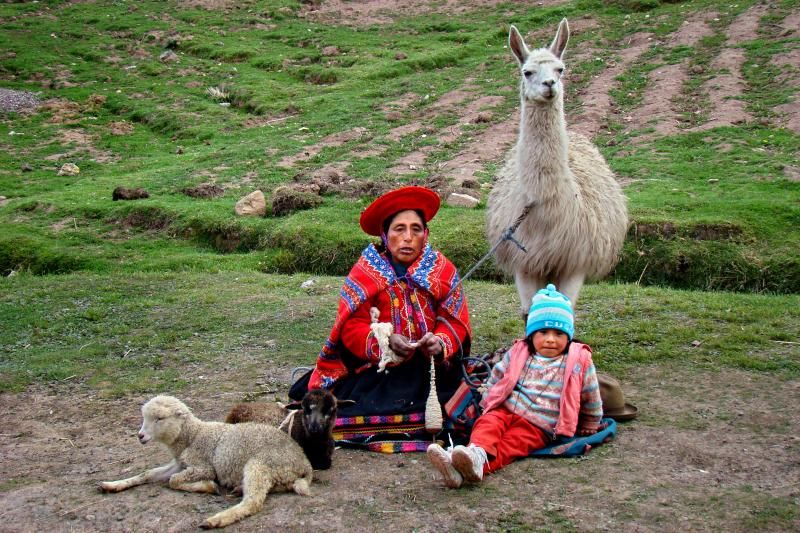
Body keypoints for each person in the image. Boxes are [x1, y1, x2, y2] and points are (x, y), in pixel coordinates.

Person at [289, 186, 472, 453]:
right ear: (385, 236)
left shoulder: (441, 270)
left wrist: (440, 343)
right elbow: (352, 327)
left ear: (426, 235)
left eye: (416, 229)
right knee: (352, 407)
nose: (408, 237)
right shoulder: (366, 273)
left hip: (429, 370)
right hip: (379, 371)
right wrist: (384, 343)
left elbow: (454, 319)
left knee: (465, 403)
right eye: (399, 229)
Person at [427, 283, 602, 487]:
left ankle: (466, 470)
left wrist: (591, 422)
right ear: (531, 334)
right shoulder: (520, 351)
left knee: (510, 445)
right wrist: (488, 398)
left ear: (569, 336)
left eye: (559, 334)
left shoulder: (578, 361)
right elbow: (499, 374)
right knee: (487, 424)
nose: (551, 340)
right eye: (543, 332)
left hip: (540, 424)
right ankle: (474, 453)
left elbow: (590, 392)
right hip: (507, 407)